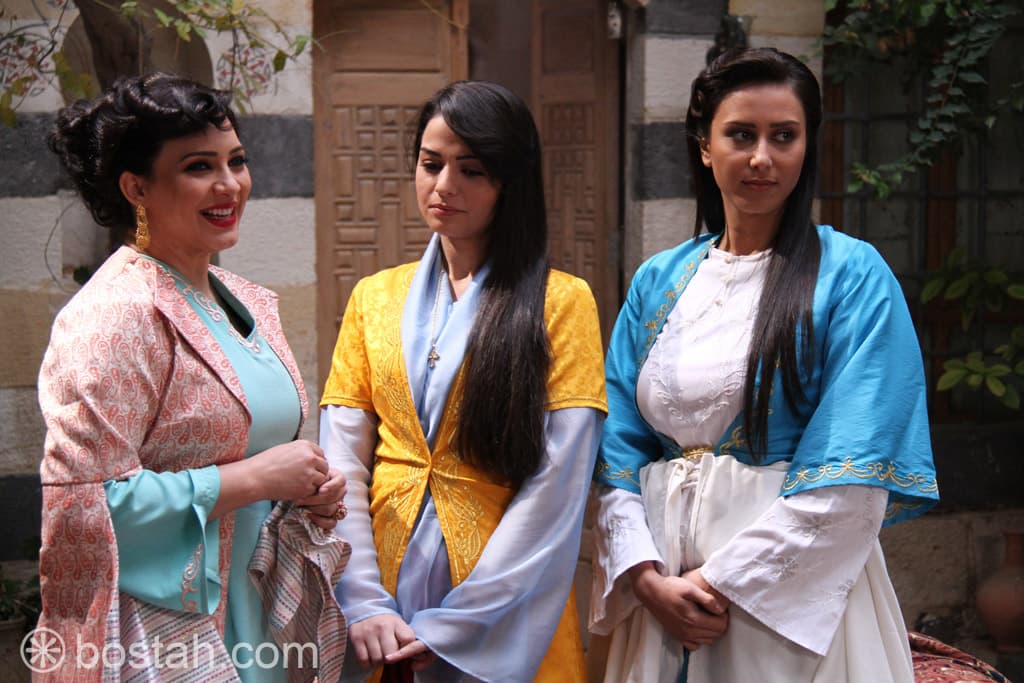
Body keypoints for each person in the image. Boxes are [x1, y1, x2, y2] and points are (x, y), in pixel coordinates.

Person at [589, 47, 939, 683]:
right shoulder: (657, 281)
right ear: (704, 145)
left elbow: (853, 470)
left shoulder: (851, 275)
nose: (761, 157)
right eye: (741, 135)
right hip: (662, 594)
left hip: (785, 610)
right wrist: (645, 578)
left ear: (807, 147)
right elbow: (618, 450)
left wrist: (720, 583)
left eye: (784, 136)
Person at [38, 73, 350, 682]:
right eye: (199, 167)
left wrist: (305, 490)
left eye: (237, 161)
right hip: (170, 634)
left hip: (259, 611)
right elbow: (86, 504)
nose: (229, 184)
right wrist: (256, 478)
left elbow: (261, 451)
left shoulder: (243, 300)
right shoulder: (115, 314)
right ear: (137, 187)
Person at [320, 80, 607, 682]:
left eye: (472, 170)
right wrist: (364, 600)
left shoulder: (560, 301)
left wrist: (458, 625)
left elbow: (558, 484)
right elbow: (342, 458)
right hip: (379, 602)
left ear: (510, 182)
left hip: (503, 604)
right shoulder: (374, 297)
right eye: (431, 164)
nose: (444, 185)